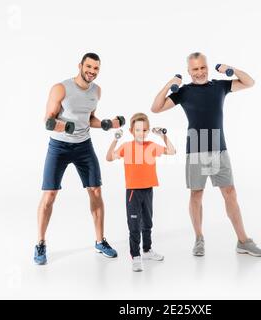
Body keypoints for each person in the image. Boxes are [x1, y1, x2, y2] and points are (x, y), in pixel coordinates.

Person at [151, 52, 261, 257]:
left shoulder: (220, 86)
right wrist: (170, 83)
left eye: (203, 67)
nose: (200, 72)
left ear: (207, 67)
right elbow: (156, 108)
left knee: (230, 193)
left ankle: (243, 241)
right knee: (196, 194)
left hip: (218, 146)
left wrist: (230, 69)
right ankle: (199, 239)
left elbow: (250, 82)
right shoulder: (183, 92)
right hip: (196, 146)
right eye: (195, 69)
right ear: (189, 71)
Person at [34, 53, 121, 265]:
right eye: (89, 67)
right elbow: (47, 120)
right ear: (80, 65)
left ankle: (100, 241)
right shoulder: (61, 88)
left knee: (96, 190)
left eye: (96, 69)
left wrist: (107, 124)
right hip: (59, 147)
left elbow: (89, 118)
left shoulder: (96, 91)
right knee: (50, 195)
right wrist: (66, 126)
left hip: (84, 146)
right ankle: (40, 243)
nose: (92, 71)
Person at [106, 113, 176, 271]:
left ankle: (146, 250)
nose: (141, 133)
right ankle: (135, 256)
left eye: (144, 130)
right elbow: (109, 157)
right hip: (133, 191)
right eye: (138, 130)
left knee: (147, 222)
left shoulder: (151, 145)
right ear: (132, 131)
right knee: (134, 225)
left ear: (148, 131)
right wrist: (115, 139)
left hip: (148, 189)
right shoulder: (126, 146)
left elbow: (172, 151)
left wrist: (163, 136)